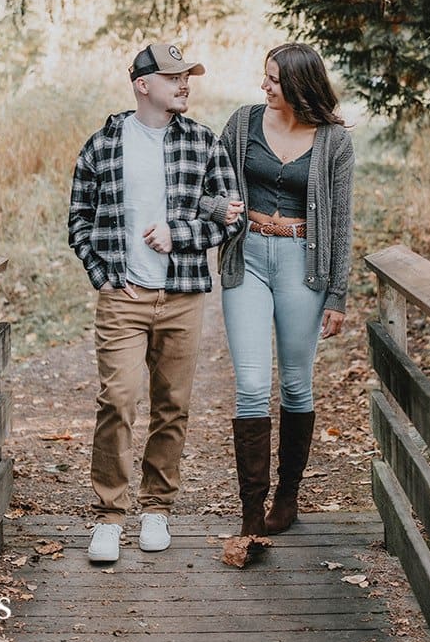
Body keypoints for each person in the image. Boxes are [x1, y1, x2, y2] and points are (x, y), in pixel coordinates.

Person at [67, 42, 240, 563]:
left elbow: (229, 215)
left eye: (188, 77)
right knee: (117, 401)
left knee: (172, 406)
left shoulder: (204, 143)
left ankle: (157, 508)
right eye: (173, 77)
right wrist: (102, 275)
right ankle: (109, 516)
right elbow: (79, 217)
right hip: (123, 298)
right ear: (143, 84)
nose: (184, 84)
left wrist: (179, 233)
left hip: (183, 296)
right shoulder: (103, 145)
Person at [206, 42, 354, 537]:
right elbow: (210, 183)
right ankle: (252, 509)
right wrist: (216, 210)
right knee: (250, 385)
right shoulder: (243, 123)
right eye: (264, 77)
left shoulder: (334, 141)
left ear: (298, 85)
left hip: (302, 265)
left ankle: (286, 497)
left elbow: (341, 222)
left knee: (295, 382)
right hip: (245, 257)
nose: (264, 86)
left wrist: (338, 295)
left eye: (273, 79)